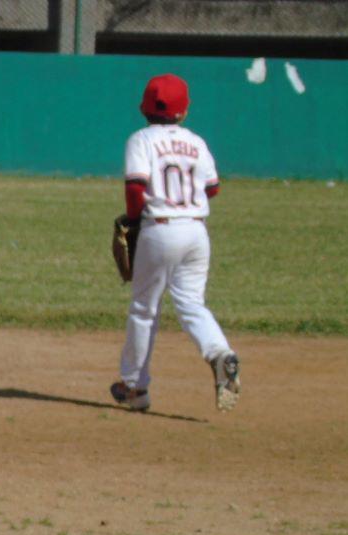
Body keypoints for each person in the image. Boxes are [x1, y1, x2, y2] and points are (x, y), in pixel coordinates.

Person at [111, 73, 240, 414]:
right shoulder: (196, 142)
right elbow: (212, 188)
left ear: (144, 109)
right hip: (197, 232)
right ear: (183, 112)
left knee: (144, 309)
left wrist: (135, 220)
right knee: (192, 304)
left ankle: (135, 388)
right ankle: (219, 352)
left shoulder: (141, 139)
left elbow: (135, 189)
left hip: (160, 228)